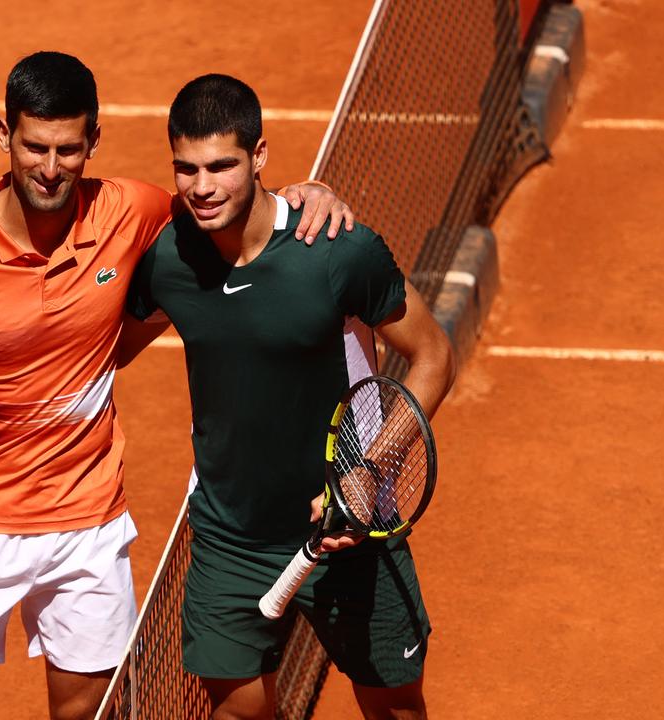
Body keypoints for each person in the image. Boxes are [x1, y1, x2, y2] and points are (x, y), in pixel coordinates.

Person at [0, 52, 356, 720]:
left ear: (93, 144)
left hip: (88, 526)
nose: (50, 168)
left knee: (92, 715)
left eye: (68, 150)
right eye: (34, 147)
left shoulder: (130, 211)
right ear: (4, 136)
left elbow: (230, 210)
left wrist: (308, 193)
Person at [118, 74, 455, 720]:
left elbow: (434, 356)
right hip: (228, 535)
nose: (203, 187)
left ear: (260, 157)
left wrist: (368, 471)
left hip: (352, 530)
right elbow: (107, 349)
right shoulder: (171, 260)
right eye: (186, 169)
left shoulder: (335, 251)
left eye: (221, 165)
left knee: (394, 708)